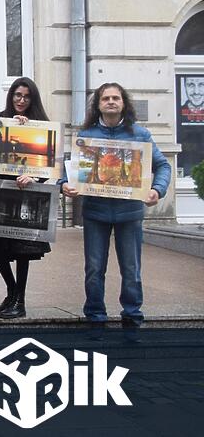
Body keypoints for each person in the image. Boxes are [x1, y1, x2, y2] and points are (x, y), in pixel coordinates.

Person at [61, 83, 171, 340]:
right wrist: (64, 184)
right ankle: (95, 316)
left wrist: (157, 190)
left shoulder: (140, 135)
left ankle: (132, 314)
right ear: (98, 104)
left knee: (131, 269)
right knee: (94, 268)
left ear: (124, 103)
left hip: (130, 213)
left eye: (116, 98)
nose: (111, 102)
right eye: (106, 98)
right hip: (96, 213)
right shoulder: (85, 136)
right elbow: (67, 171)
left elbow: (163, 165)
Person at [0, 78, 53, 320]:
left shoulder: (42, 125)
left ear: (33, 99)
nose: (21, 100)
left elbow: (49, 163)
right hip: (0, 191)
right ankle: (11, 291)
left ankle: (20, 300)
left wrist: (33, 177)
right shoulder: (2, 118)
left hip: (26, 195)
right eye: (17, 95)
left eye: (26, 97)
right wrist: (11, 128)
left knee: (21, 251)